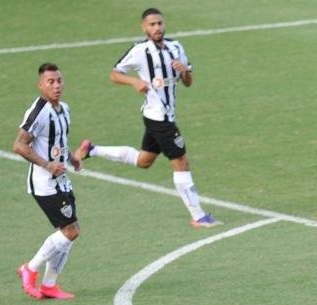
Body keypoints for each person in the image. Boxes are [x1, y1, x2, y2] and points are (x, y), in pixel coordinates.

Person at [74, 7, 219, 229]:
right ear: (144, 28)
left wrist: (184, 71)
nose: (157, 28)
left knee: (144, 161)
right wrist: (134, 82)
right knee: (181, 161)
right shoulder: (140, 51)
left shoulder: (176, 47)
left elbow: (188, 82)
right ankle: (198, 216)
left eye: (160, 23)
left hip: (162, 116)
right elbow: (114, 73)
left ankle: (92, 149)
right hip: (158, 118)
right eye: (152, 25)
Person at [13, 63, 84, 300]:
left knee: (66, 231)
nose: (56, 86)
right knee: (71, 231)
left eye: (59, 81)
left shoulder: (64, 109)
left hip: (61, 179)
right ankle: (30, 269)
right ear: (40, 85)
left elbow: (60, 140)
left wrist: (71, 157)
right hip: (44, 183)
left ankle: (49, 285)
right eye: (50, 82)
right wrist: (47, 164)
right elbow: (19, 145)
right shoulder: (39, 111)